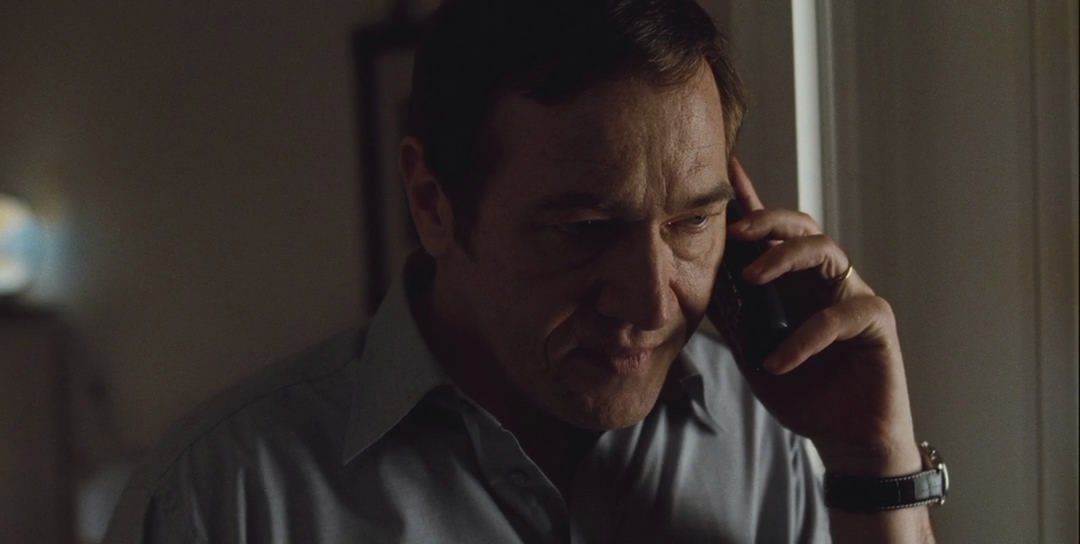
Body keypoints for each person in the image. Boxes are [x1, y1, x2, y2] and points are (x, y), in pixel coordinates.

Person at [104, 0, 945, 542]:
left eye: (693, 220)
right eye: (583, 230)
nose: (651, 302)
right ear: (432, 200)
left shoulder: (772, 438)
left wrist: (875, 468)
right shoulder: (220, 500)